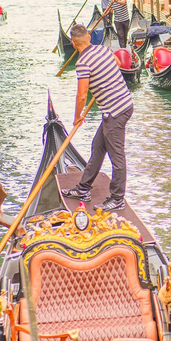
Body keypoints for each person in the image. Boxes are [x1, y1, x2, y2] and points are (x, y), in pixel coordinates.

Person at [61, 24, 133, 211]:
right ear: (89, 37)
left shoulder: (83, 63)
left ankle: (117, 198)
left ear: (73, 43)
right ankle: (83, 188)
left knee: (117, 156)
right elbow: (117, 63)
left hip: (115, 111)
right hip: (123, 104)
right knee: (98, 146)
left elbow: (82, 96)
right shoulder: (102, 49)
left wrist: (77, 117)